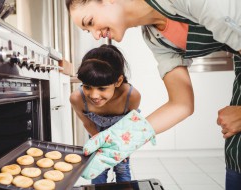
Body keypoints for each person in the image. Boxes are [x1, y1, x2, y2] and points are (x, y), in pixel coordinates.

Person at [65, 0, 241, 189]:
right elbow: (181, 104)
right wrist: (126, 138)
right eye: (87, 31)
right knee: (236, 153)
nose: (95, 35)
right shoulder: (155, 37)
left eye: (90, 22)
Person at [70, 44, 141, 184]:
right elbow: (88, 123)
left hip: (121, 137)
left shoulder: (131, 96)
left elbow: (130, 124)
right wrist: (100, 144)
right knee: (97, 170)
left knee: (122, 168)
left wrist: (122, 147)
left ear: (118, 81)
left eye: (102, 88)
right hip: (96, 134)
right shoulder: (77, 98)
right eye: (87, 86)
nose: (94, 95)